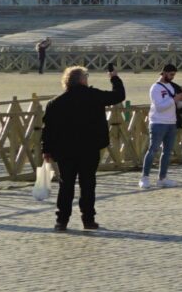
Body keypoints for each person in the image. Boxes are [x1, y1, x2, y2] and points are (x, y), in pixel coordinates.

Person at [39, 65, 126, 231]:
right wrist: (114, 78)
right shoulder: (93, 96)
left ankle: (62, 220)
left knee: (66, 185)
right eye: (86, 77)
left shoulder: (56, 102)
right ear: (81, 80)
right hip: (89, 148)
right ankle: (88, 220)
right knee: (88, 184)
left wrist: (46, 150)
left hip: (65, 150)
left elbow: (48, 129)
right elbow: (118, 95)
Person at [142, 64, 182, 188]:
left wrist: (181, 99)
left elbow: (178, 106)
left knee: (167, 152)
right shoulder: (155, 88)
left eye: (174, 75)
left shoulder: (171, 86)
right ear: (164, 73)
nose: (172, 77)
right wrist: (174, 99)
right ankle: (145, 177)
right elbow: (160, 107)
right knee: (153, 149)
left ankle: (162, 178)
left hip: (171, 122)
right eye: (171, 74)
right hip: (158, 122)